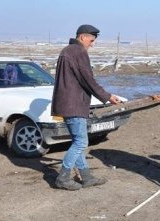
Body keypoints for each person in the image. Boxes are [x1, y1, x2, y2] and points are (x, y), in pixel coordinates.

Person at [51, 24, 120, 191]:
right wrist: (107, 96)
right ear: (82, 37)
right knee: (81, 142)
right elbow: (88, 80)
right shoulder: (78, 52)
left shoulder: (66, 51)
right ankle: (63, 177)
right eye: (91, 40)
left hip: (67, 104)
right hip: (73, 105)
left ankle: (86, 177)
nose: (92, 44)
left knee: (77, 142)